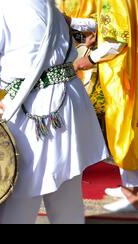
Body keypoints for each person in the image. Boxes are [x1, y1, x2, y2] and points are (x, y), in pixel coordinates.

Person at [0, 0, 109, 224]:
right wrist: (10, 99)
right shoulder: (47, 3)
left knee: (19, 188)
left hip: (39, 109)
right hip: (68, 100)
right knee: (66, 189)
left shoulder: (1, 5)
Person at [65, 0, 138, 213]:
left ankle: (133, 193)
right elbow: (111, 24)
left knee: (124, 127)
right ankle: (129, 184)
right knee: (124, 125)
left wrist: (89, 59)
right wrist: (74, 22)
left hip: (121, 72)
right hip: (123, 70)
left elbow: (116, 40)